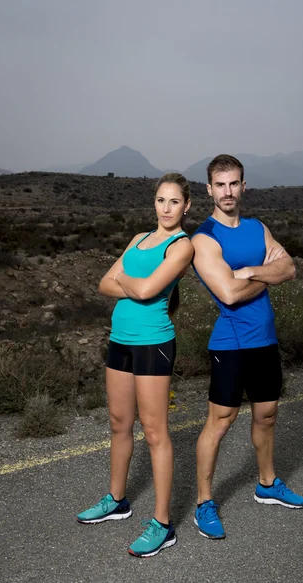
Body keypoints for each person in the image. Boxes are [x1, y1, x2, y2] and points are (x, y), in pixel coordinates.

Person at [192, 155, 303, 540]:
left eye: (234, 183)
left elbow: (289, 268)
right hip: (231, 342)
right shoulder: (204, 238)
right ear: (209, 189)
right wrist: (267, 275)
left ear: (244, 186)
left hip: (265, 338)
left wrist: (252, 272)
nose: (228, 191)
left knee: (268, 415)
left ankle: (267, 483)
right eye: (220, 185)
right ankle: (204, 502)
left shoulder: (259, 228)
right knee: (221, 422)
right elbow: (228, 294)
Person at [76, 173, 193, 558]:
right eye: (161, 200)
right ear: (154, 203)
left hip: (153, 343)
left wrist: (126, 278)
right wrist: (133, 281)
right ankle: (117, 499)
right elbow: (102, 284)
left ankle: (163, 523)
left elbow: (141, 290)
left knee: (155, 432)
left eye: (174, 201)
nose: (166, 207)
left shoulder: (182, 245)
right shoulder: (138, 240)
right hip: (120, 341)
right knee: (118, 423)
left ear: (186, 206)